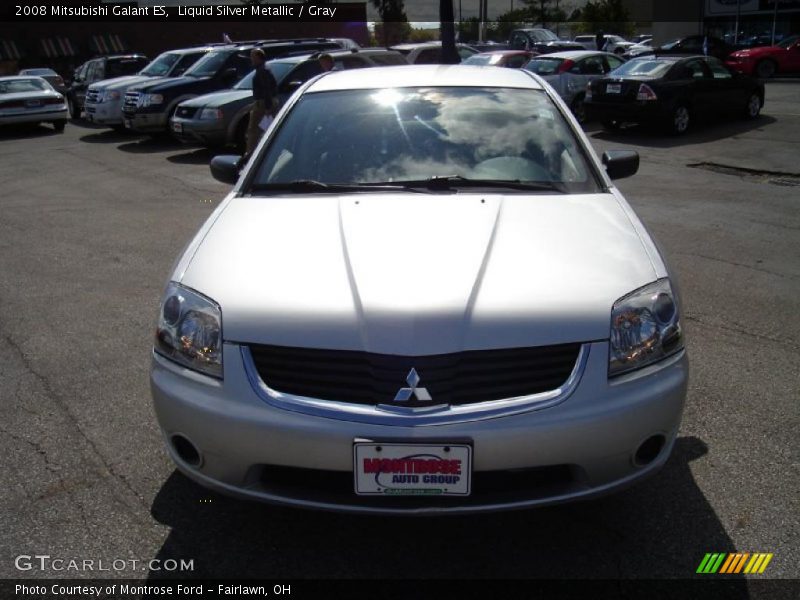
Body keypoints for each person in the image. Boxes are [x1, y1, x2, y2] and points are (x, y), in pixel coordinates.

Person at [244, 48, 277, 159]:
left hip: (263, 104)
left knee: (254, 130)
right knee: (262, 129)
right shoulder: (262, 69)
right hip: (261, 103)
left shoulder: (263, 71)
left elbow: (267, 90)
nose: (251, 59)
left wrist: (267, 108)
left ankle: (250, 156)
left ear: (258, 57)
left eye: (253, 56)